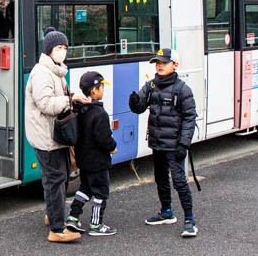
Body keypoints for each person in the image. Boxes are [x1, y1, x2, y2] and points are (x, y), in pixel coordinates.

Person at [24, 27, 88, 243]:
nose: (63, 51)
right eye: (59, 48)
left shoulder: (55, 70)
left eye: (65, 48)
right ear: (49, 49)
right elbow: (45, 104)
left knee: (56, 177)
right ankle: (57, 229)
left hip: (52, 134)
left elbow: (54, 98)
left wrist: (69, 96)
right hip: (46, 135)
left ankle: (53, 214)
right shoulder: (42, 73)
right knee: (56, 178)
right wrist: (71, 100)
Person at [129, 48, 199, 237]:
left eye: (163, 62)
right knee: (160, 178)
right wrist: (134, 101)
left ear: (175, 65)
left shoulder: (183, 89)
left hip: (174, 146)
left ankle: (190, 220)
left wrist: (184, 144)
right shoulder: (150, 86)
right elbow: (140, 107)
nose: (159, 66)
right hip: (157, 143)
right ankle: (166, 212)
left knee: (179, 181)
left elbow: (190, 117)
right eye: (157, 63)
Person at [65, 71, 118, 237]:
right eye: (102, 87)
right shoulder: (99, 113)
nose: (103, 90)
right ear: (94, 91)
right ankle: (96, 224)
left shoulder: (81, 111)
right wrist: (112, 147)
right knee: (101, 191)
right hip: (98, 161)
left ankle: (73, 216)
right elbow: (103, 138)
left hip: (83, 159)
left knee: (85, 188)